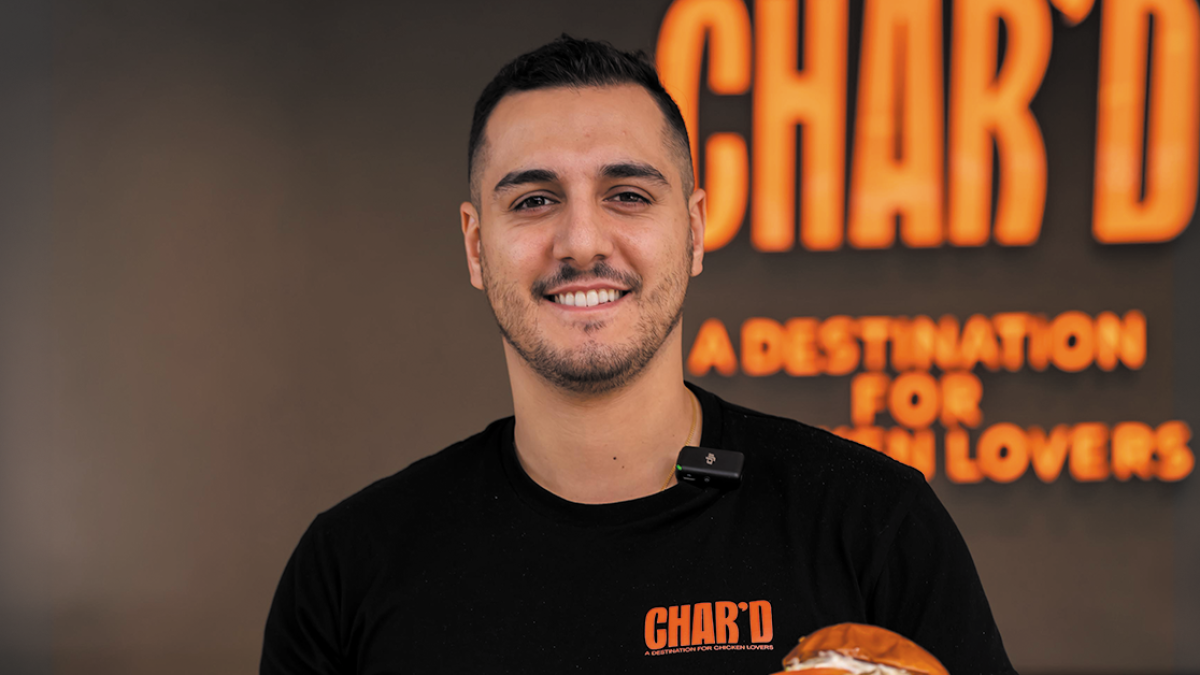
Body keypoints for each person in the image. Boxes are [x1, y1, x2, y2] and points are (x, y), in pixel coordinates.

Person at [261, 36, 1017, 675]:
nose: (582, 241)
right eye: (533, 200)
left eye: (627, 194)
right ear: (475, 244)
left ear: (694, 230)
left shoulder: (871, 524)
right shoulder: (349, 570)